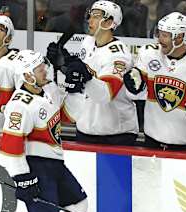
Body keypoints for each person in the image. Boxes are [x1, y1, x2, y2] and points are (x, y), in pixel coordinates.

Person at [0, 50, 105, 212]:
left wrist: (77, 90)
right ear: (26, 75)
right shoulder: (19, 105)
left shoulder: (46, 92)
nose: (45, 70)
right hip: (37, 167)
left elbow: (69, 116)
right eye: (39, 69)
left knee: (78, 205)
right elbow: (11, 146)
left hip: (55, 164)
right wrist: (22, 178)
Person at [123, 11, 186, 151]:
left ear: (179, 38)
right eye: (159, 33)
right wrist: (134, 82)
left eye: (165, 35)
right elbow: (138, 90)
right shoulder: (148, 53)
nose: (159, 39)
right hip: (151, 142)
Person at [48, 0, 137, 146]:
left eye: (96, 16)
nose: (90, 19)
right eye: (90, 15)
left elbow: (106, 94)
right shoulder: (88, 42)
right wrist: (64, 64)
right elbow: (82, 76)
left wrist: (85, 74)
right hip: (86, 129)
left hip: (116, 135)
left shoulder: (119, 56)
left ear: (109, 23)